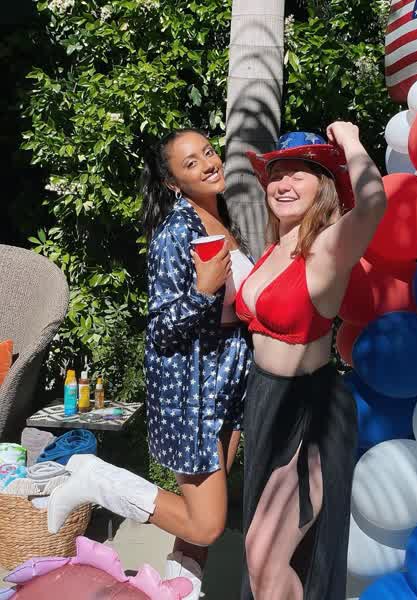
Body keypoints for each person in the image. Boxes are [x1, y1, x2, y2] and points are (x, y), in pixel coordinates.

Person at [47, 129, 254, 599]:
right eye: (191, 163)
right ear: (173, 183)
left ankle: (180, 590)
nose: (208, 163)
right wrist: (202, 291)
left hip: (225, 385)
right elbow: (161, 329)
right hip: (191, 391)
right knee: (206, 524)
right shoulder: (176, 234)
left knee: (200, 511)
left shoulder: (223, 219)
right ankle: (97, 479)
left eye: (208, 152)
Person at [235, 123, 387, 600]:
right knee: (266, 555)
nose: (283, 184)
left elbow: (373, 203)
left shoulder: (325, 248)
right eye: (276, 174)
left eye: (298, 174)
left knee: (264, 554)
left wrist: (352, 141)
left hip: (310, 410)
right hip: (265, 403)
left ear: (321, 186)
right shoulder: (272, 249)